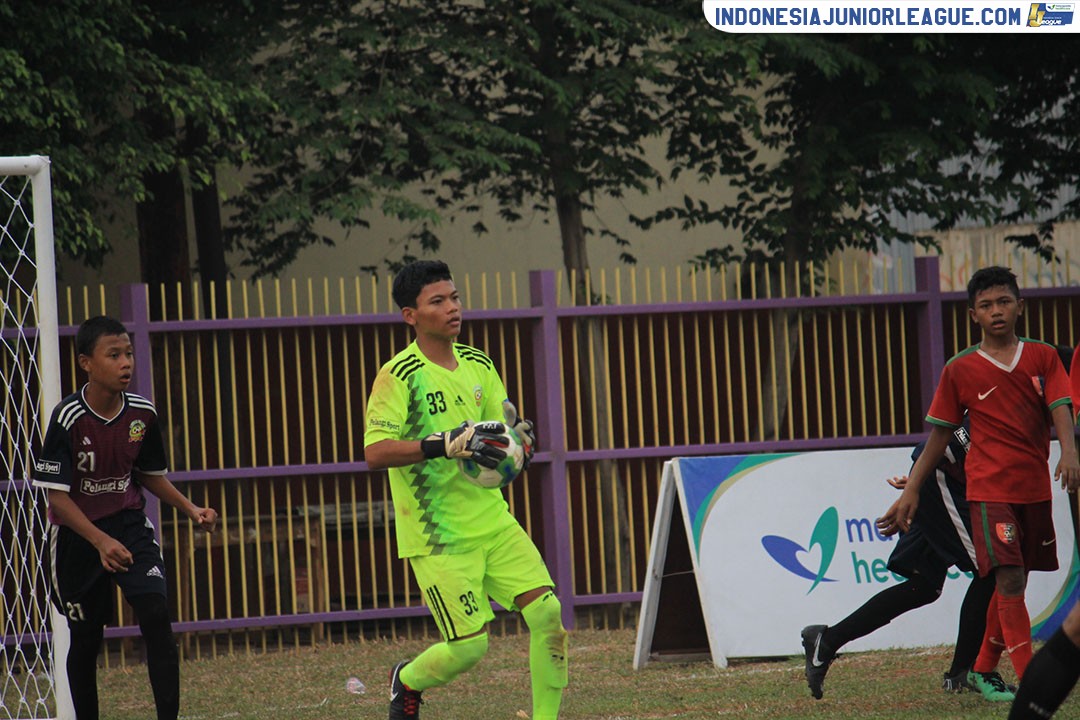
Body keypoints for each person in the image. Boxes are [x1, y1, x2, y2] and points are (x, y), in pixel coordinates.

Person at [363, 260, 568, 720]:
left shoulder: (479, 362)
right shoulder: (399, 376)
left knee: (548, 616)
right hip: (439, 535)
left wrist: (519, 441)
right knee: (470, 648)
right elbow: (375, 452)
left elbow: (503, 428)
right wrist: (441, 444)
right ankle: (408, 680)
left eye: (454, 297)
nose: (453, 308)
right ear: (410, 315)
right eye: (438, 301)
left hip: (493, 519)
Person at [879, 266, 1080, 703]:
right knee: (1007, 578)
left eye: (1004, 302)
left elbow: (1061, 405)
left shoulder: (1043, 357)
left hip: (1035, 490)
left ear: (1019, 307)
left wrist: (1068, 450)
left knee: (1018, 580)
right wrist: (911, 488)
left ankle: (984, 668)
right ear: (973, 314)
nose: (996, 312)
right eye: (986, 305)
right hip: (989, 492)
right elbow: (940, 434)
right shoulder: (960, 369)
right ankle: (1032, 684)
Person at [32, 315, 218, 720]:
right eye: (113, 354)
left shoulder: (142, 414)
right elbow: (58, 500)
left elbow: (148, 475)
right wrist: (99, 541)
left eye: (128, 353)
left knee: (156, 615)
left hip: (130, 527)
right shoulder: (67, 418)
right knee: (85, 639)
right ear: (86, 363)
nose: (125, 363)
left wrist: (190, 509)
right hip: (80, 537)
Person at [801, 423, 996, 699]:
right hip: (938, 486)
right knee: (990, 570)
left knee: (925, 586)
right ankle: (961, 673)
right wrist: (912, 491)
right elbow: (936, 448)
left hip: (937, 485)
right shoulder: (985, 405)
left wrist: (913, 488)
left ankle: (826, 641)